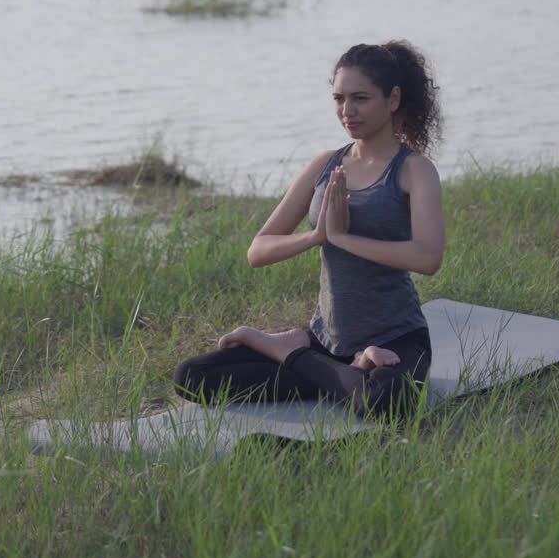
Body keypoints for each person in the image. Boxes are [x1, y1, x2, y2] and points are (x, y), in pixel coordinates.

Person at [172, 40, 446, 420]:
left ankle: (291, 353)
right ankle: (333, 365)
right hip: (327, 340)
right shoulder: (325, 164)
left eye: (360, 98)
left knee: (388, 401)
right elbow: (258, 250)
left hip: (396, 341)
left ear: (393, 99)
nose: (347, 111)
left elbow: (428, 257)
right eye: (339, 98)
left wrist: (344, 239)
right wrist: (317, 237)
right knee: (193, 376)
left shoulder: (414, 170)